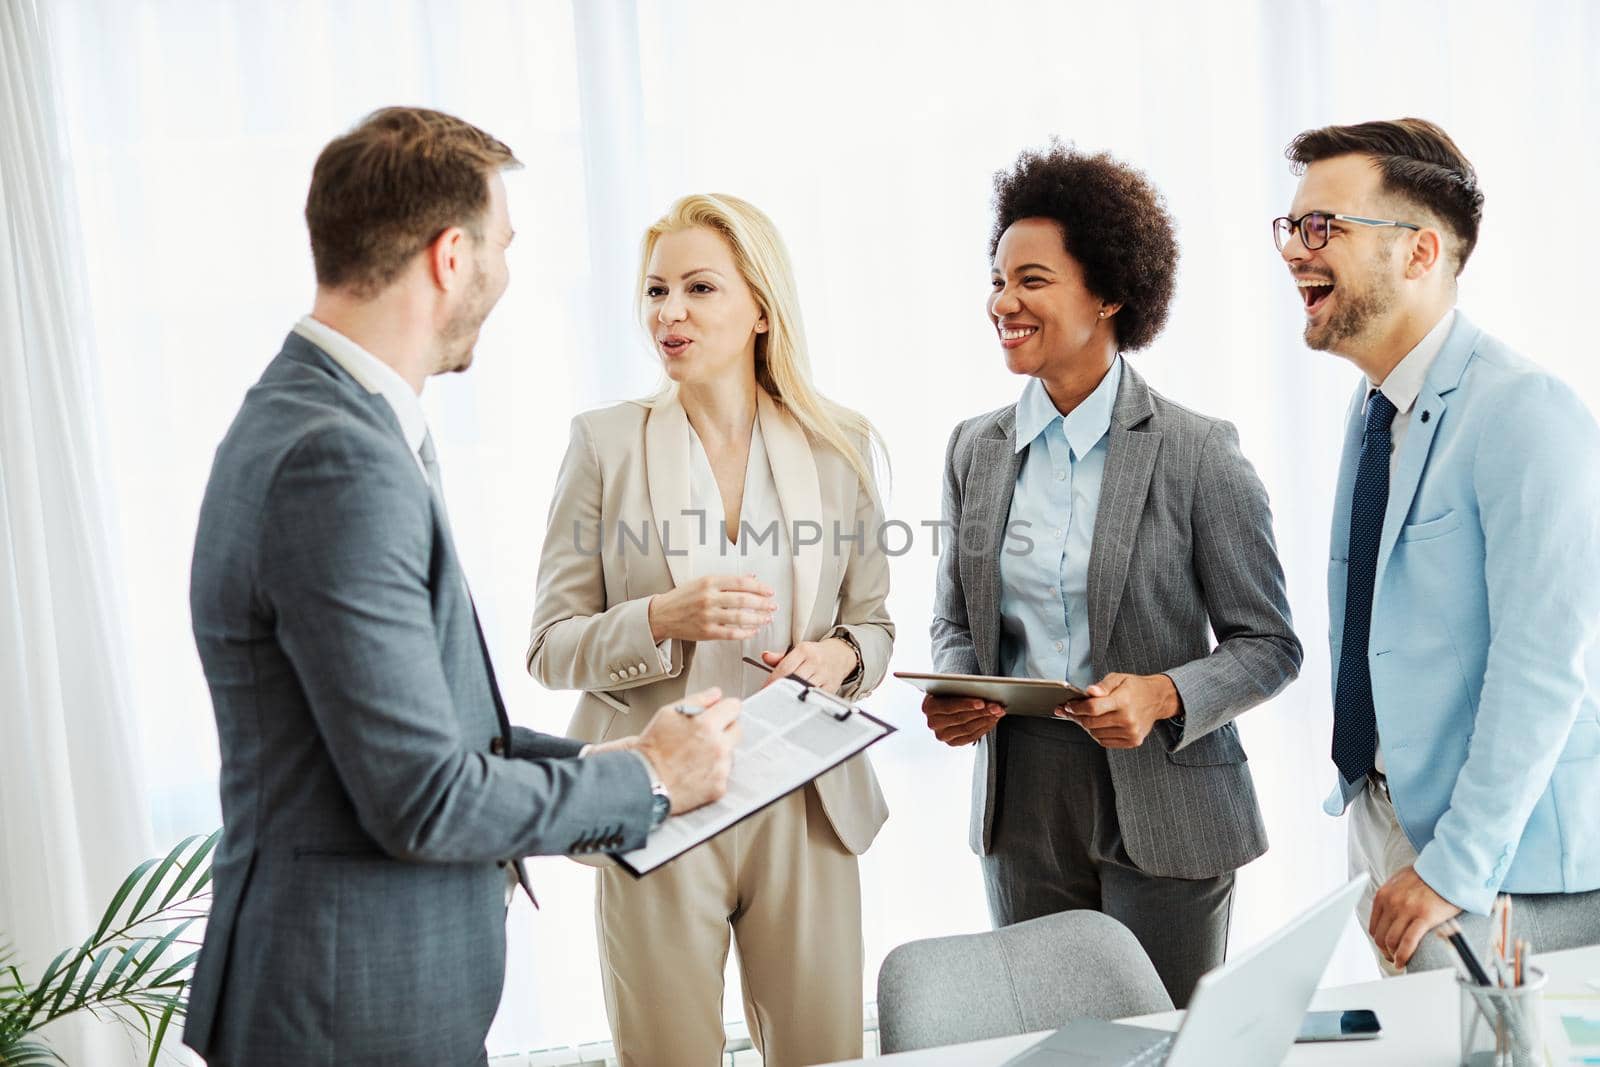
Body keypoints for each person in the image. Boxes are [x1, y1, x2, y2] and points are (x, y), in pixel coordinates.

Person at [185, 107, 741, 1067]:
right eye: (503, 246)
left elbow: (427, 739)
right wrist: (647, 777)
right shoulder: (336, 459)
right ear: (451, 256)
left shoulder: (328, 418)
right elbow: (425, 797)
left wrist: (646, 751)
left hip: (359, 991)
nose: (508, 274)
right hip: (348, 1009)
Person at [923, 143, 1303, 1007]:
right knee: (1051, 1043)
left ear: (1108, 295)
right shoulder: (972, 449)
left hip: (1167, 791)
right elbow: (954, 616)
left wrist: (1163, 693)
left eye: (1032, 280)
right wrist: (957, 687)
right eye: (996, 279)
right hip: (1023, 799)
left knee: (1162, 1043)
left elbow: (1270, 645)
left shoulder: (1199, 452)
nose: (1003, 302)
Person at [527, 193, 894, 1066]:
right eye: (656, 291)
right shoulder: (604, 444)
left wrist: (834, 656)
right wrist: (664, 615)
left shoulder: (838, 444)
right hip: (655, 802)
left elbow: (873, 628)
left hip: (804, 798)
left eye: (698, 288)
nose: (670, 313)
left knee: (823, 1056)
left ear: (761, 307)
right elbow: (548, 645)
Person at [1277, 117, 1600, 973]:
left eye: (1323, 227)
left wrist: (1452, 863)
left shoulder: (1525, 410)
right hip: (1393, 833)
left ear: (1420, 253)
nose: (1295, 249)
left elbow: (1544, 666)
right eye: (1292, 226)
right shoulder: (1376, 406)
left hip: (1509, 873)